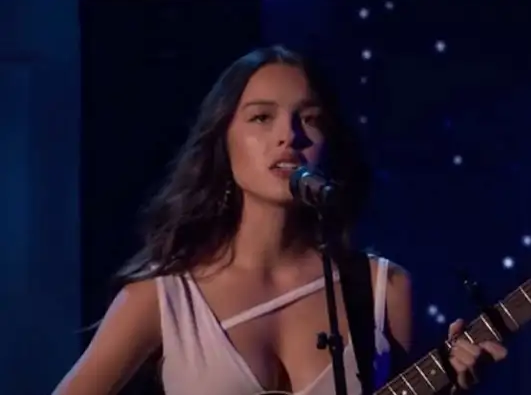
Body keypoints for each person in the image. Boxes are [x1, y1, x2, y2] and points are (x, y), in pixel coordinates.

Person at [53, 46, 507, 395]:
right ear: (223, 139)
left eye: (309, 119)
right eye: (261, 118)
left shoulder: (380, 288)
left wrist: (453, 386)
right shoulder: (163, 298)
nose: (289, 137)